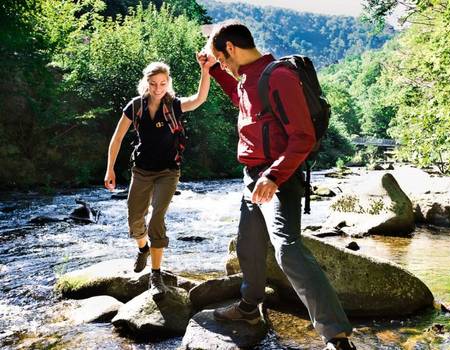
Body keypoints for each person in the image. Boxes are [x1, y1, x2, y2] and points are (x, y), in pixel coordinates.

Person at [205, 22, 356, 350]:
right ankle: (248, 308)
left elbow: (304, 137)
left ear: (231, 48)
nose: (223, 65)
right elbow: (240, 100)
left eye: (222, 58)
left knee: (287, 248)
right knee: (248, 243)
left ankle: (337, 336)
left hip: (280, 177)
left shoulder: (279, 76)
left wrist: (273, 176)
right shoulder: (246, 79)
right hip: (251, 177)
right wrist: (215, 72)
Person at [104, 55, 214, 293]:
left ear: (168, 83)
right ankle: (142, 248)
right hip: (142, 170)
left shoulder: (174, 105)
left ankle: (156, 275)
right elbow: (117, 138)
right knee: (135, 220)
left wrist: (205, 71)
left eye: (162, 83)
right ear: (146, 83)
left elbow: (199, 99)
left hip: (168, 171)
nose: (158, 88)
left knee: (156, 219)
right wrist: (110, 168)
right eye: (153, 83)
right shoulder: (135, 106)